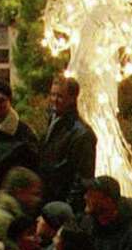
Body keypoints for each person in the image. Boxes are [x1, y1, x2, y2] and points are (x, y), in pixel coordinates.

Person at [37, 74, 96, 209]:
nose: (54, 100)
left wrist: (67, 210)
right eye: (52, 95)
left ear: (72, 99)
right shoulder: (53, 120)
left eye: (60, 96)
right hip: (49, 200)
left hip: (62, 204)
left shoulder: (82, 134)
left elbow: (82, 179)